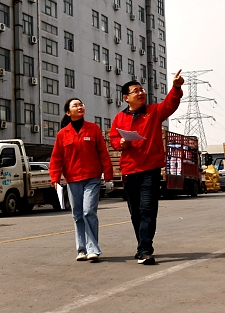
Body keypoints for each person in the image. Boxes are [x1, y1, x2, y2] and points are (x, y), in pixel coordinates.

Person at [109, 70, 184, 265]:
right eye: (136, 91)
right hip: (129, 170)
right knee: (135, 212)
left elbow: (170, 104)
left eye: (141, 90)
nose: (141, 93)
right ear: (126, 98)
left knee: (148, 209)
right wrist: (121, 143)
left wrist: (176, 87)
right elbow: (114, 139)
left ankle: (145, 249)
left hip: (150, 169)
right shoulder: (119, 118)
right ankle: (141, 246)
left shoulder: (154, 112)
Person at [48, 97, 114, 262]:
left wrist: (108, 174)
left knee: (88, 211)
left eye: (81, 104)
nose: (79, 107)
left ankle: (93, 249)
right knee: (77, 215)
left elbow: (103, 152)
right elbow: (56, 158)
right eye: (75, 105)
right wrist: (55, 178)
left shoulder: (93, 129)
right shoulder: (63, 134)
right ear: (68, 112)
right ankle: (82, 249)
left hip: (92, 177)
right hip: (73, 179)